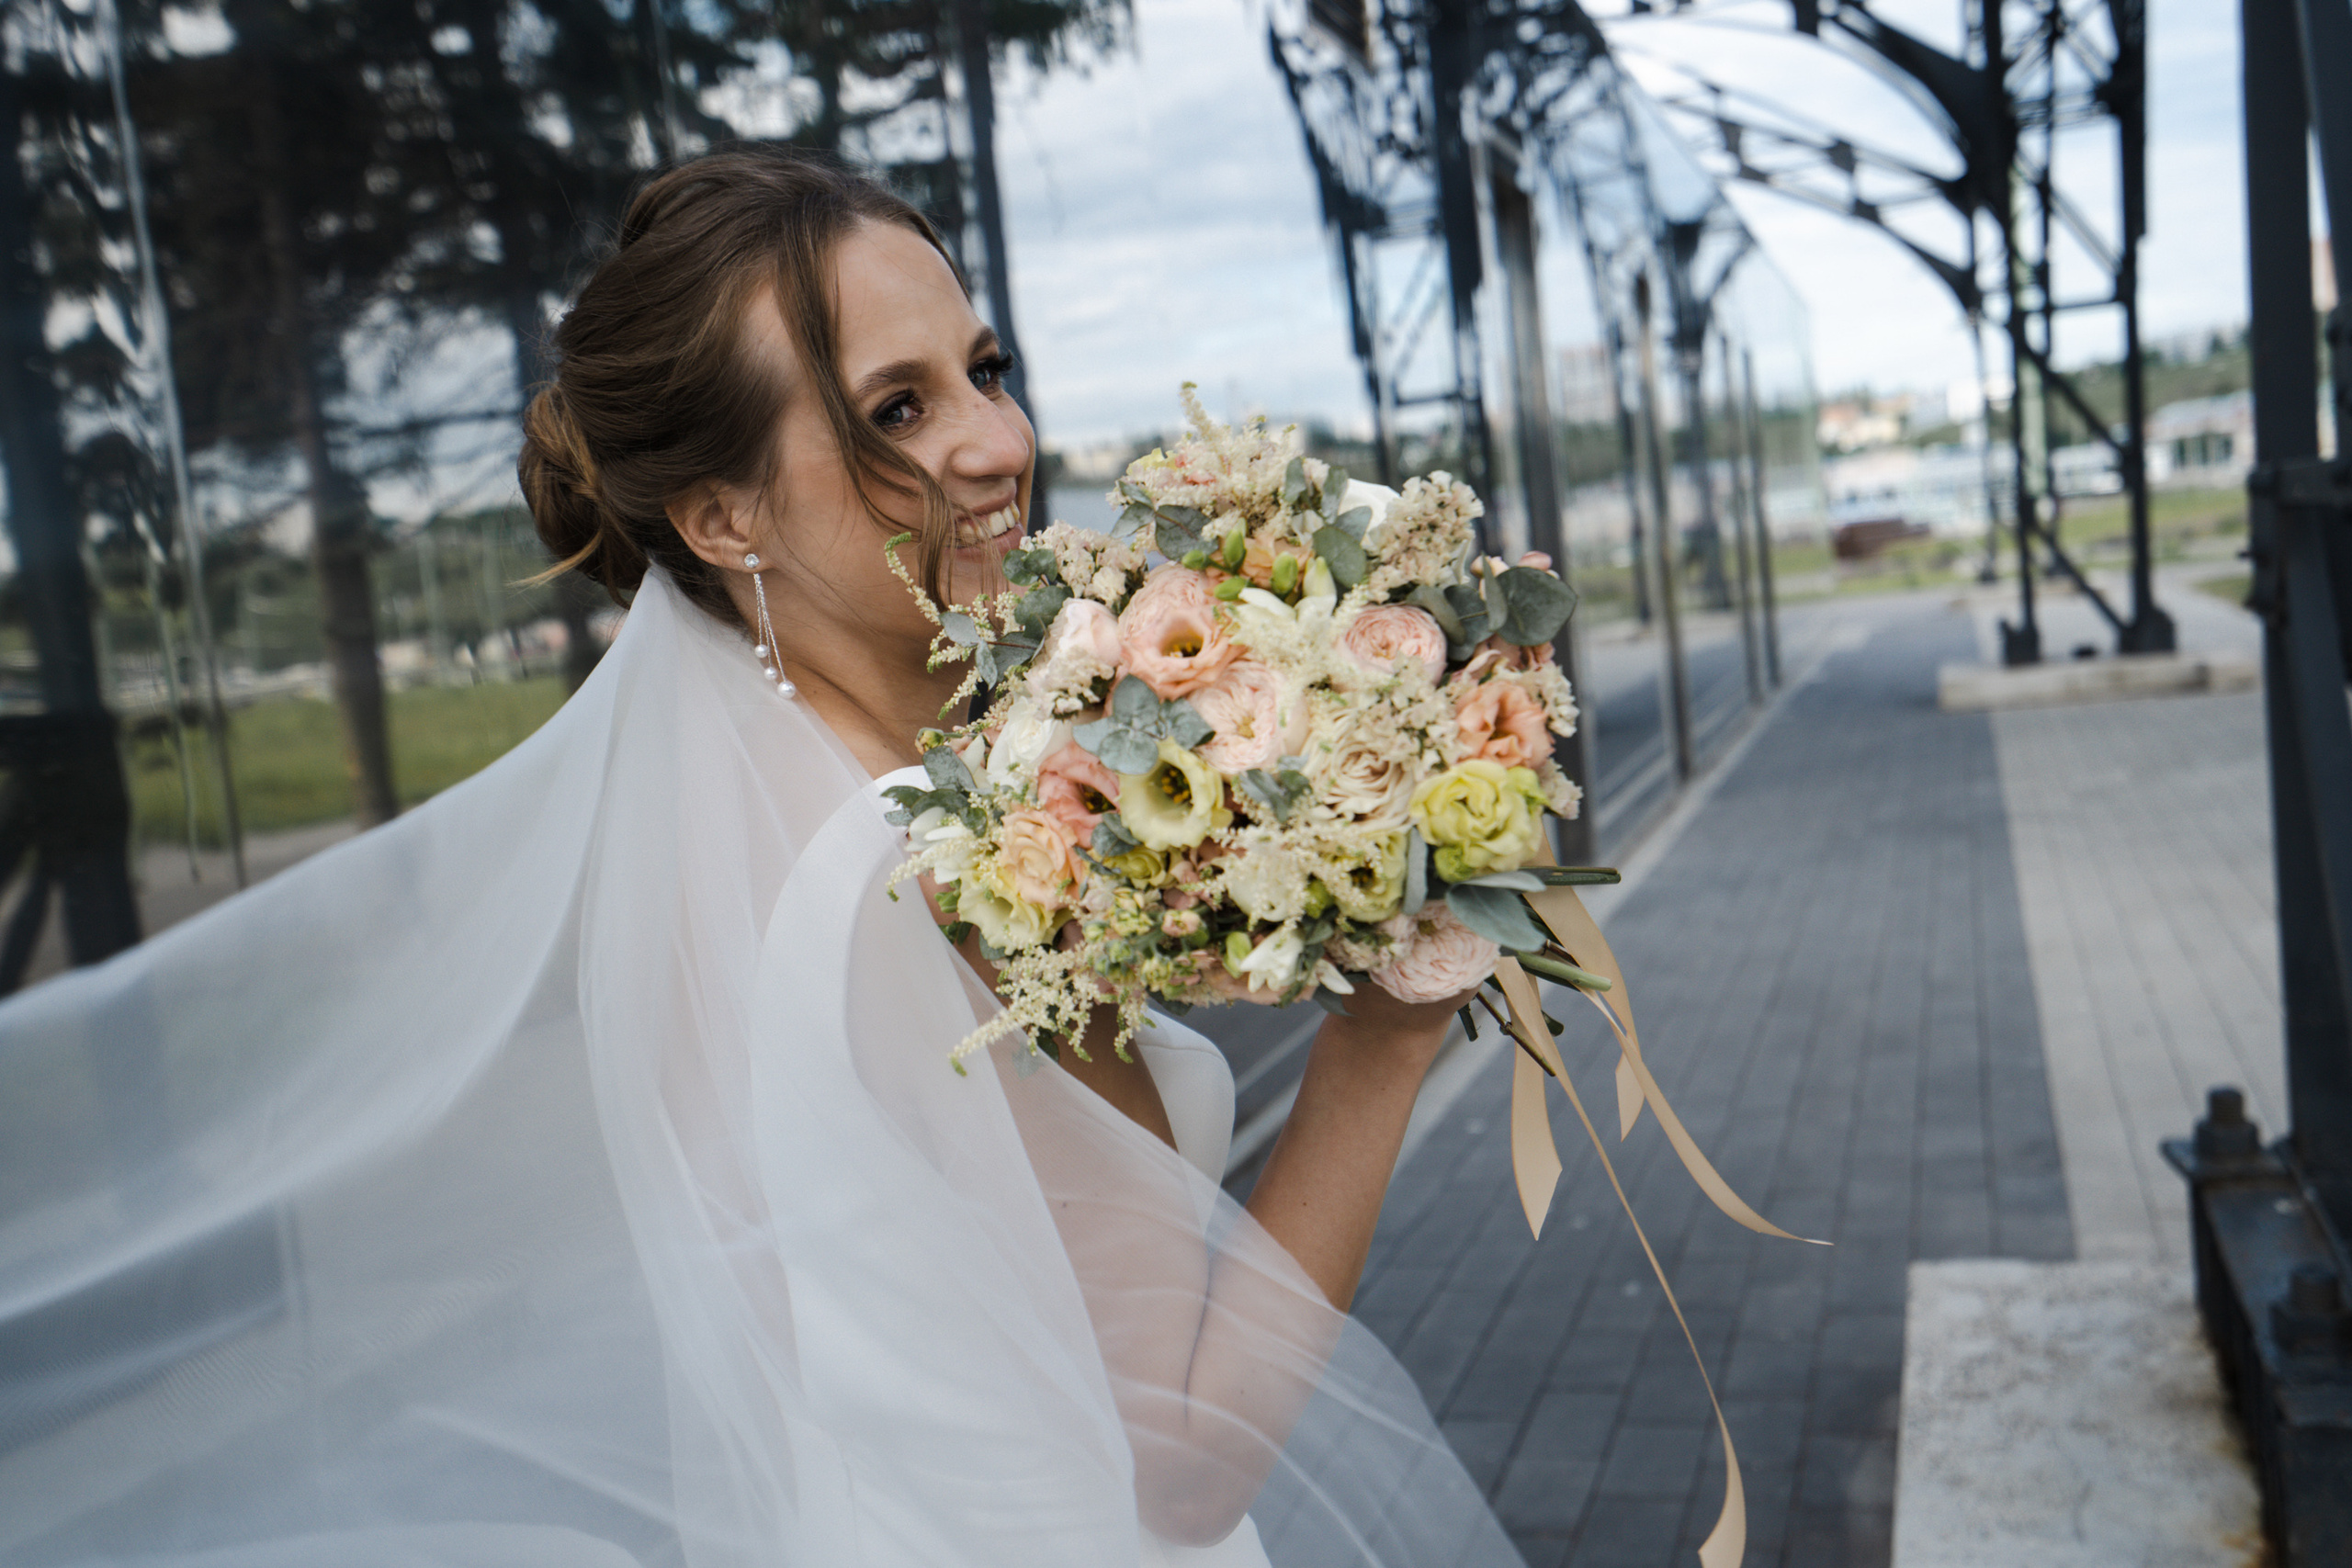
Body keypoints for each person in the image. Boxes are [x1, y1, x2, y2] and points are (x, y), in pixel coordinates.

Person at [0, 146, 1519, 1567]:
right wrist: (1390, 1030)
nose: (996, 442)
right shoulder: (930, 873)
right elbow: (1183, 1464)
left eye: (983, 370)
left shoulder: (756, 838)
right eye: (898, 411)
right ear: (723, 516)